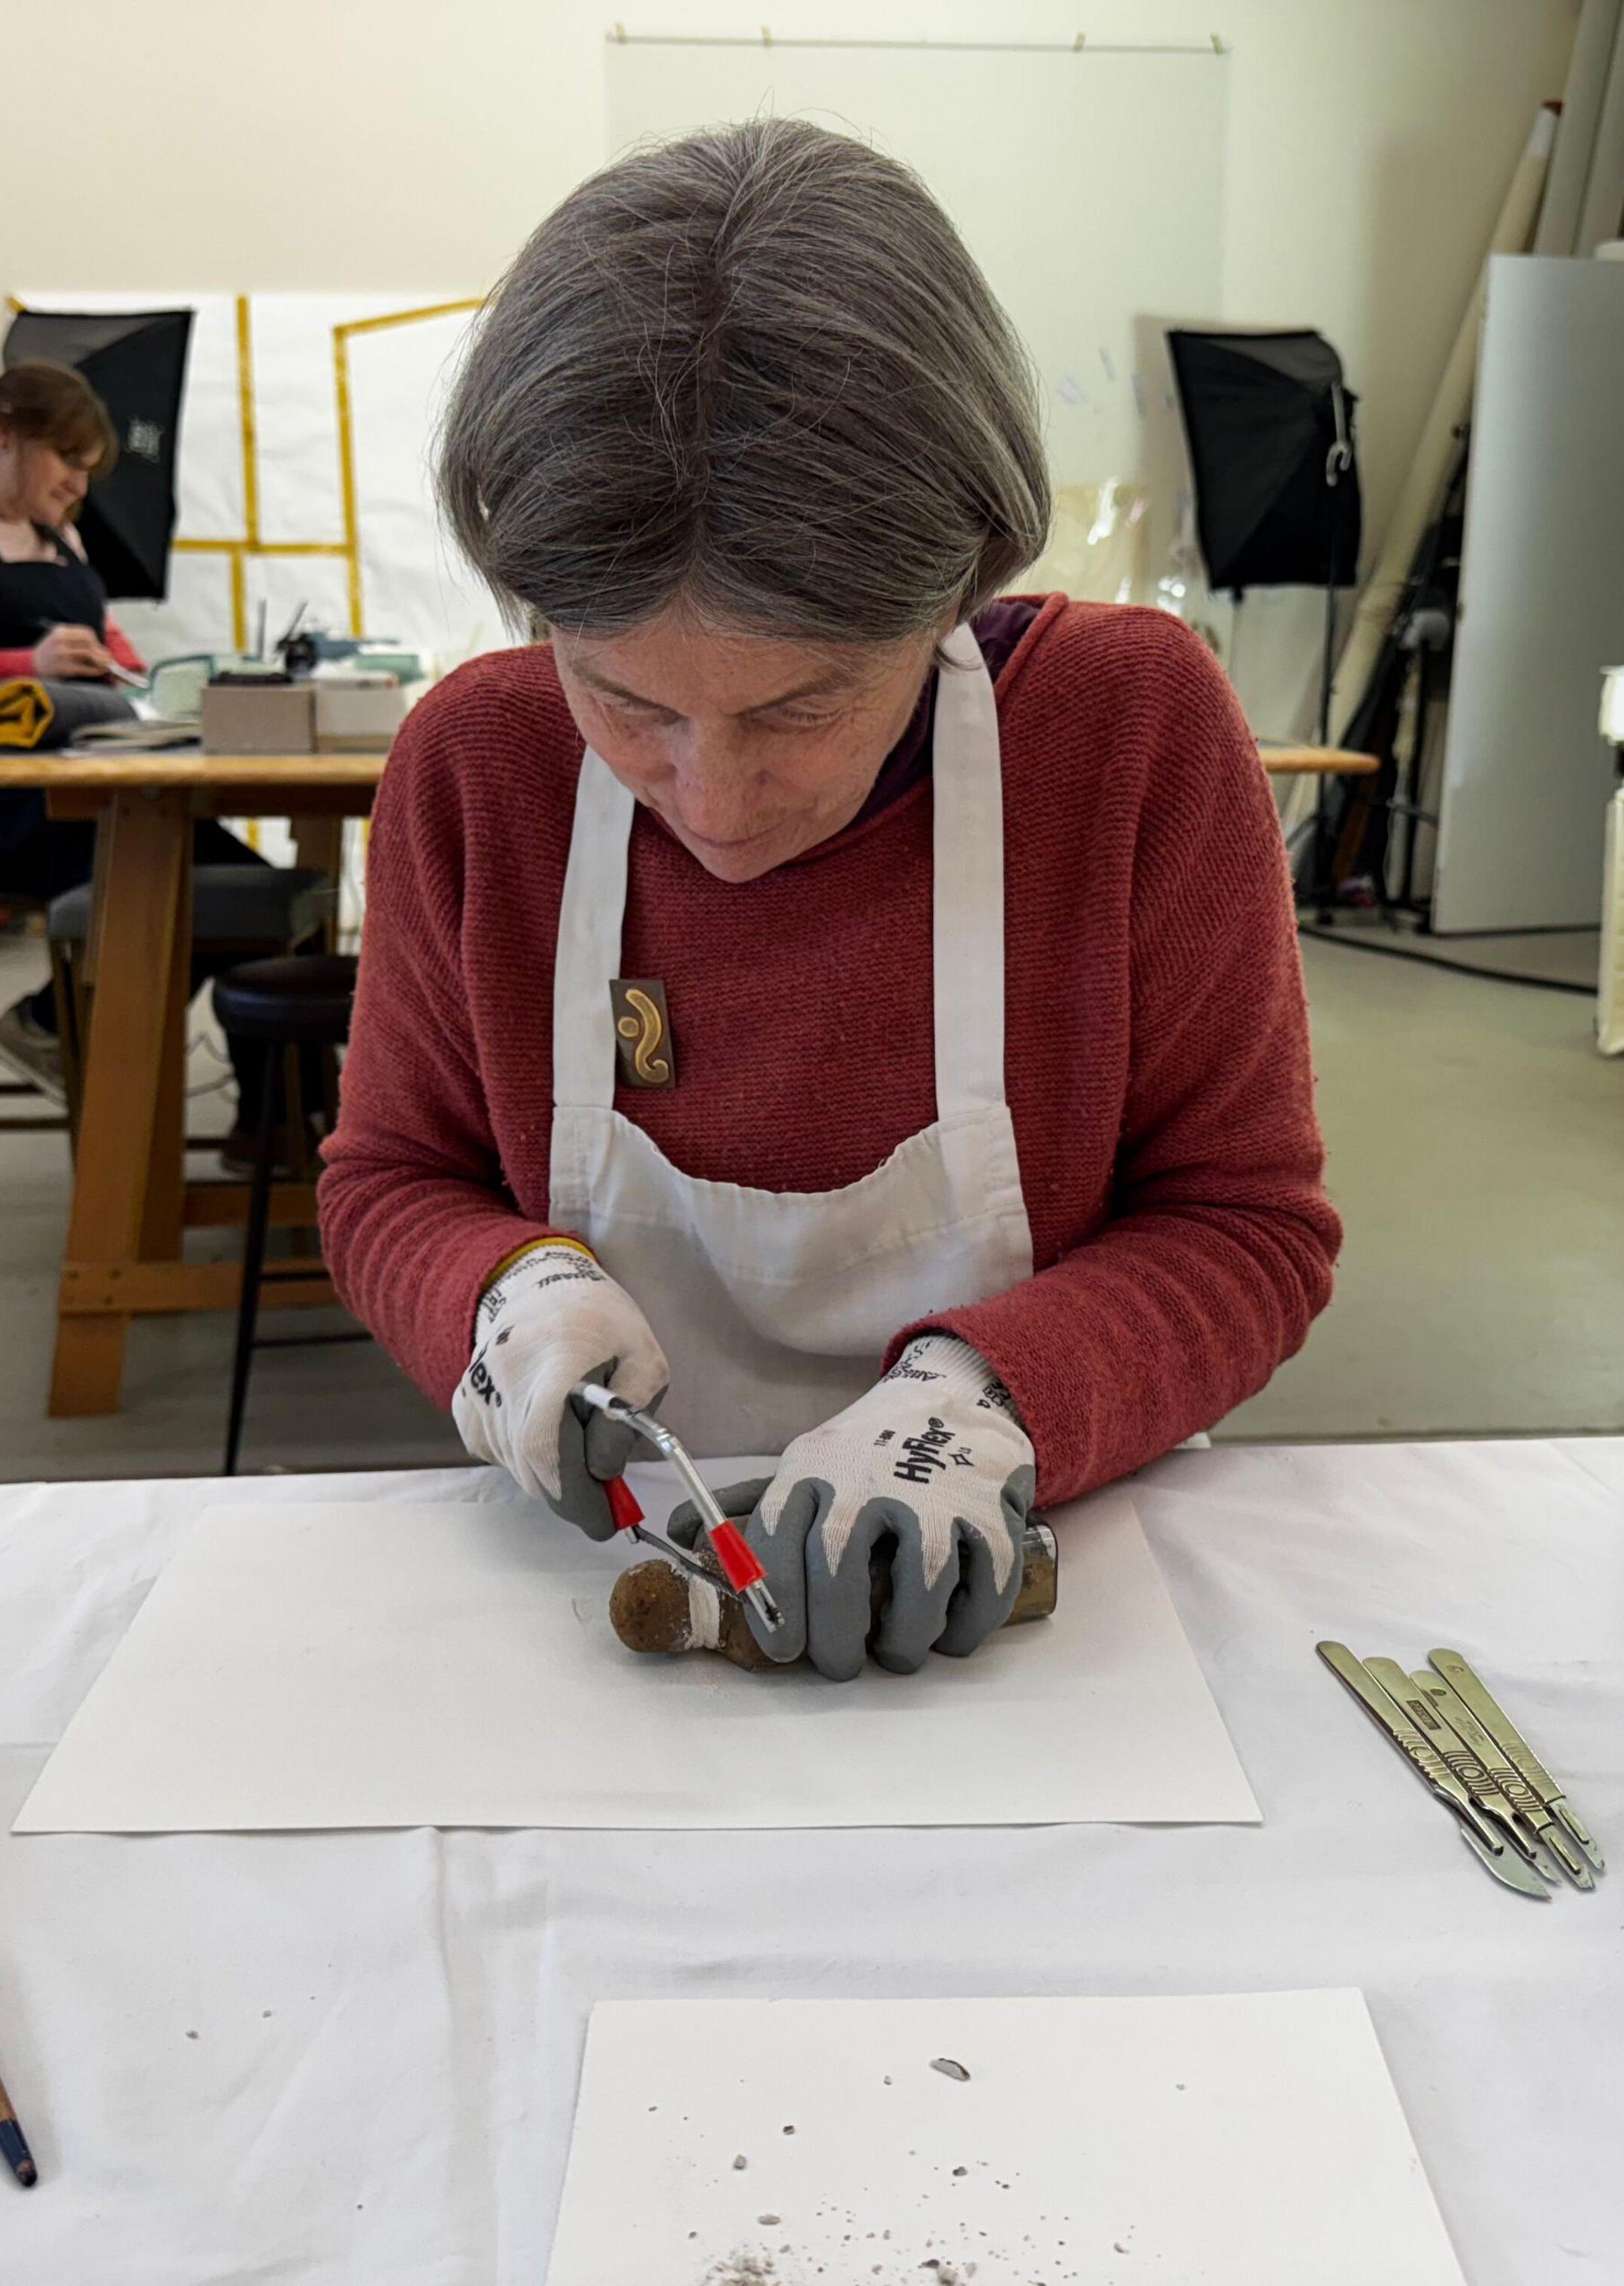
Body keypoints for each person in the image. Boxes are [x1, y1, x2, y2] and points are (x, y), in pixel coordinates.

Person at [317, 121, 1341, 1681]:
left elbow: (1247, 1225)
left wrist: (990, 1403)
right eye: (623, 699)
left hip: (1035, 1632)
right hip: (600, 1631)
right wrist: (497, 1294)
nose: (712, 800)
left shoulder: (1128, 736)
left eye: (801, 709)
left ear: (958, 590)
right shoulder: (479, 765)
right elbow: (391, 1178)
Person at [0, 361, 278, 1149]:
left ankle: (270, 1125)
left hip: (62, 792)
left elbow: (105, 651)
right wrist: (19, 669)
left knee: (256, 890)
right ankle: (69, 1034)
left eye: (88, 470)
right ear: (5, 434)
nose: (80, 484)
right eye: (67, 462)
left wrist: (158, 686)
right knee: (212, 886)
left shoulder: (58, 535)